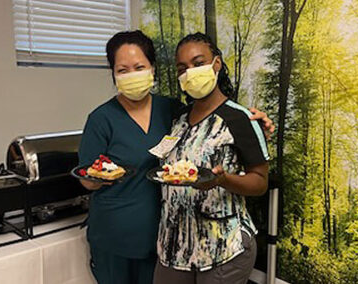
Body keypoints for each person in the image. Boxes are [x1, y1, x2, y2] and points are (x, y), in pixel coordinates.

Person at [78, 30, 273, 284]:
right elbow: (86, 177)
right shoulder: (108, 119)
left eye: (139, 67)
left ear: (152, 69)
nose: (132, 75)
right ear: (113, 73)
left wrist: (260, 124)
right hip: (134, 240)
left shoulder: (171, 111)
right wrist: (98, 177)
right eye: (123, 70)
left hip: (189, 242)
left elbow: (216, 124)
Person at [153, 32, 269, 284]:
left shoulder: (240, 119)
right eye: (182, 68)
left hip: (222, 248)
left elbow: (260, 182)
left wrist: (223, 180)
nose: (190, 73)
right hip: (173, 247)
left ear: (216, 64)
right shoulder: (178, 120)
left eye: (198, 63)